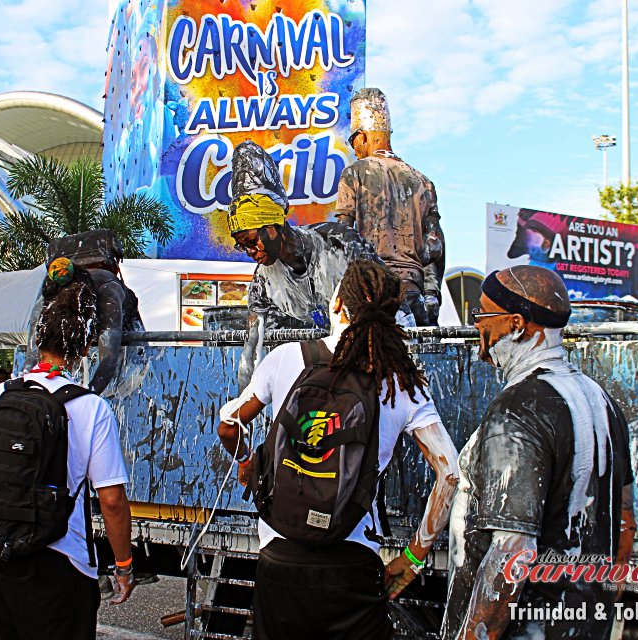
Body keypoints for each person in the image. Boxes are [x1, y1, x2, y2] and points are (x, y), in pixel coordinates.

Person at [218, 260, 460, 640]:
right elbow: (450, 473)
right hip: (353, 561)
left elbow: (229, 424)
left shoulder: (287, 358)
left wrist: (247, 462)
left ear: (336, 306)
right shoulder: (401, 382)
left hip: (280, 554)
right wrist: (413, 558)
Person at [442, 266, 636, 640]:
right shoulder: (602, 400)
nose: (478, 327)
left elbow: (511, 552)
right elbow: (625, 521)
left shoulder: (518, 408)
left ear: (516, 324)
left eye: (483, 315)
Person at [0, 271, 136, 638]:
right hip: (62, 561)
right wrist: (123, 564)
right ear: (87, 346)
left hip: (0, 553)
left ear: (38, 338)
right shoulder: (90, 407)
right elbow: (112, 500)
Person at [227, 140, 384, 390]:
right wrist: (242, 406)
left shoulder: (339, 244)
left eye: (251, 241)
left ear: (274, 226)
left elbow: (388, 300)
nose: (249, 252)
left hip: (375, 360)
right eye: (242, 245)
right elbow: (251, 353)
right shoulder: (262, 283)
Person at [336, 88, 445, 326]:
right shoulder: (423, 181)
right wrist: (431, 296)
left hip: (373, 295)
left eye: (353, 140)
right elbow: (434, 247)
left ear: (363, 136)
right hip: (412, 291)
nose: (354, 150)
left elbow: (343, 237)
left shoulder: (355, 173)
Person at [25, 229, 144, 395]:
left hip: (123, 334)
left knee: (136, 361)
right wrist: (84, 397)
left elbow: (110, 358)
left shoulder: (107, 290)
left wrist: (84, 396)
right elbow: (31, 355)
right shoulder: (51, 290)